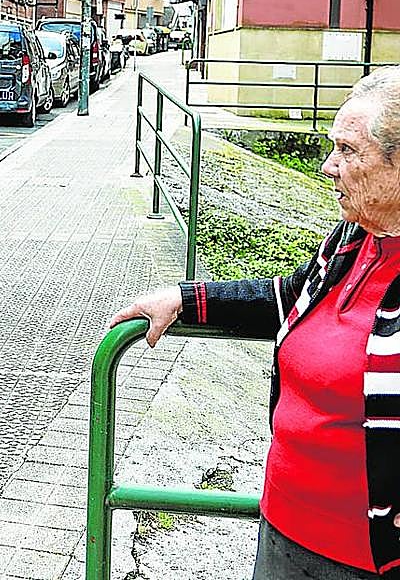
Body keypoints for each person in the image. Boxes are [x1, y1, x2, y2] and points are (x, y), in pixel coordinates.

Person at [110, 66, 400, 580]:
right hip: (284, 525)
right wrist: (185, 298)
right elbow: (286, 299)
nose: (328, 166)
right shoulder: (352, 241)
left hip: (368, 557)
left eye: (349, 151)